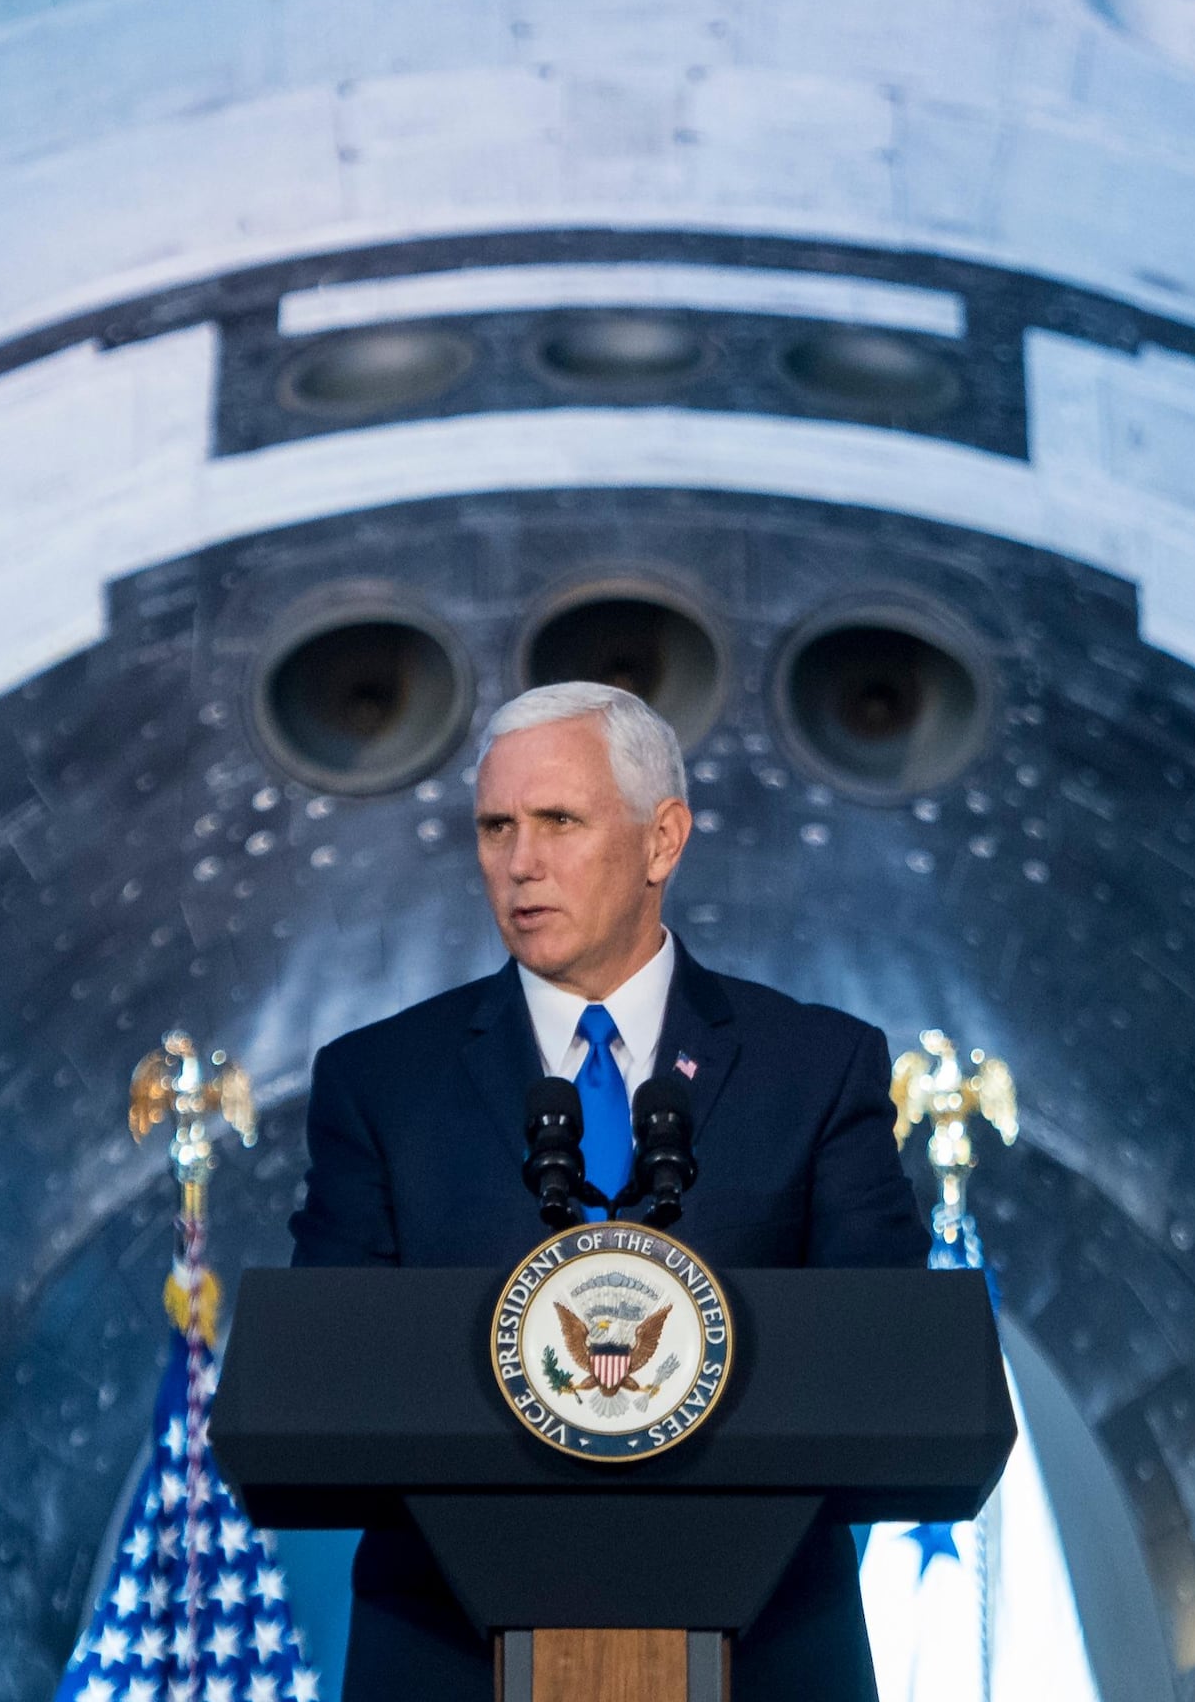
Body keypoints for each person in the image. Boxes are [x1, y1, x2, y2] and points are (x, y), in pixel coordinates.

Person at [289, 680, 931, 1700]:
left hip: (764, 1655)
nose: (520, 862)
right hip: (449, 1657)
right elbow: (324, 1376)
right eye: (495, 826)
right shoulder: (383, 1082)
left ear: (663, 841)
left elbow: (891, 1364)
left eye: (558, 821)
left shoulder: (815, 1069)